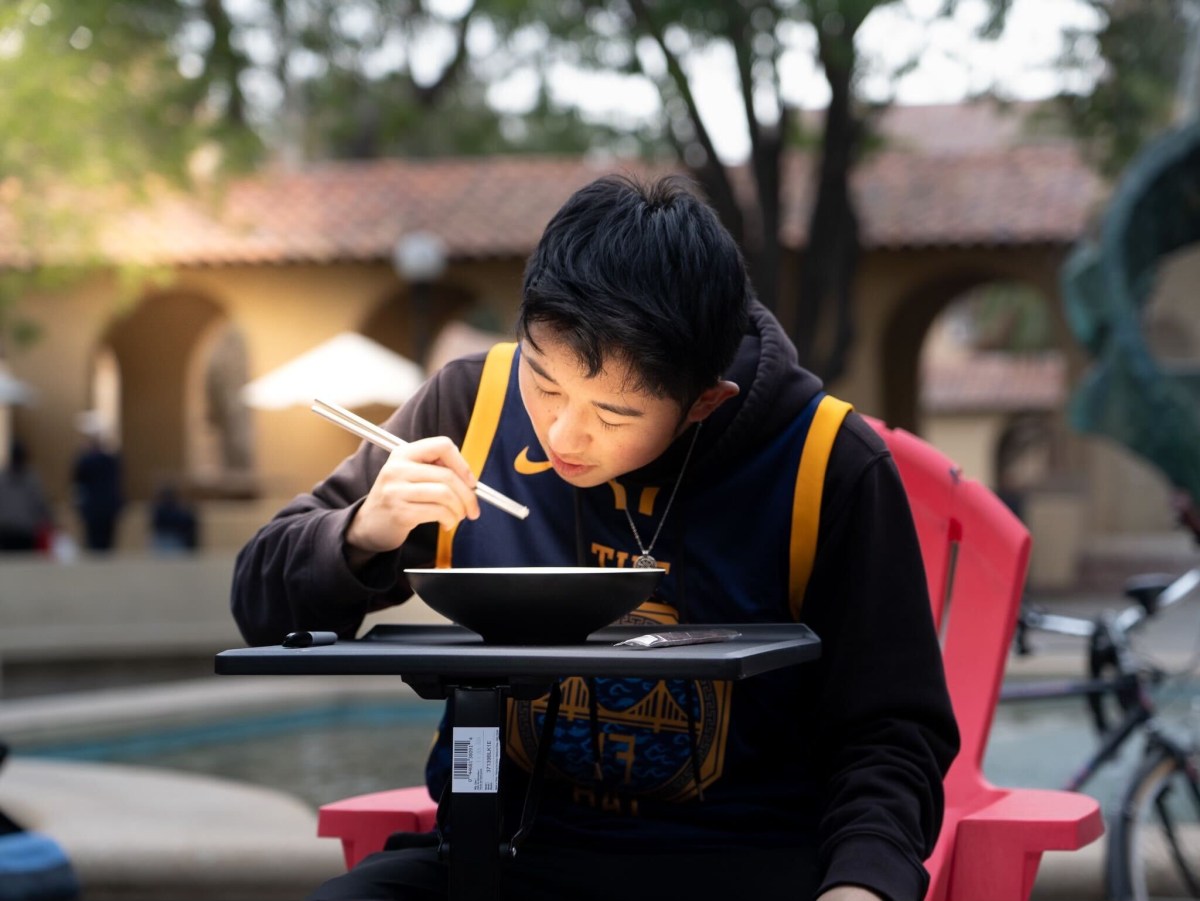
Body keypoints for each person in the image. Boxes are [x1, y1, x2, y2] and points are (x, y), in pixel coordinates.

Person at [231, 174, 959, 901]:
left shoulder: (824, 460)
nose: (560, 434)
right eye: (543, 383)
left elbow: (894, 729)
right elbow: (262, 605)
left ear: (705, 399)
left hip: (741, 862)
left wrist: (862, 884)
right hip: (503, 853)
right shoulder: (468, 405)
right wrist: (362, 532)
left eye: (612, 414)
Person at [71, 419, 123, 552]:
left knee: (94, 544)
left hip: (93, 507)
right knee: (106, 545)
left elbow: (78, 483)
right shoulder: (111, 460)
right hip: (108, 507)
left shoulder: (85, 461)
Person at [0, 440, 54, 552]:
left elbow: (40, 503)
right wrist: (49, 520)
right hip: (15, 530)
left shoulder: (6, 478)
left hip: (19, 531)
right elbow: (40, 503)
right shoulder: (30, 479)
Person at [149, 481, 199, 553]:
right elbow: (157, 525)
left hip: (178, 541)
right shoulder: (159, 510)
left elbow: (189, 526)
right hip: (165, 540)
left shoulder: (183, 511)